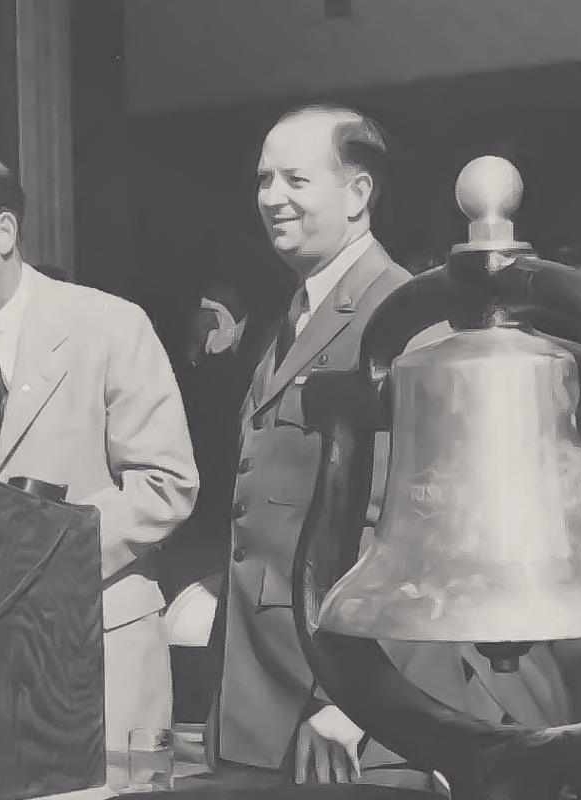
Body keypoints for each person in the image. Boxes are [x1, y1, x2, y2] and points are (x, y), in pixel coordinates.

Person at [0, 146, 198, 762]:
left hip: (106, 652)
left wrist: (41, 549)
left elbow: (167, 483)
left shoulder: (112, 326)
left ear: (3, 231)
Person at [210, 104, 483, 791]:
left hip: (345, 717)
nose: (272, 197)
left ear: (358, 193)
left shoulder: (403, 319)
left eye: (296, 180)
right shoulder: (295, 317)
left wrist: (355, 703)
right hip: (265, 699)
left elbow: (423, 532)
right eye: (264, 179)